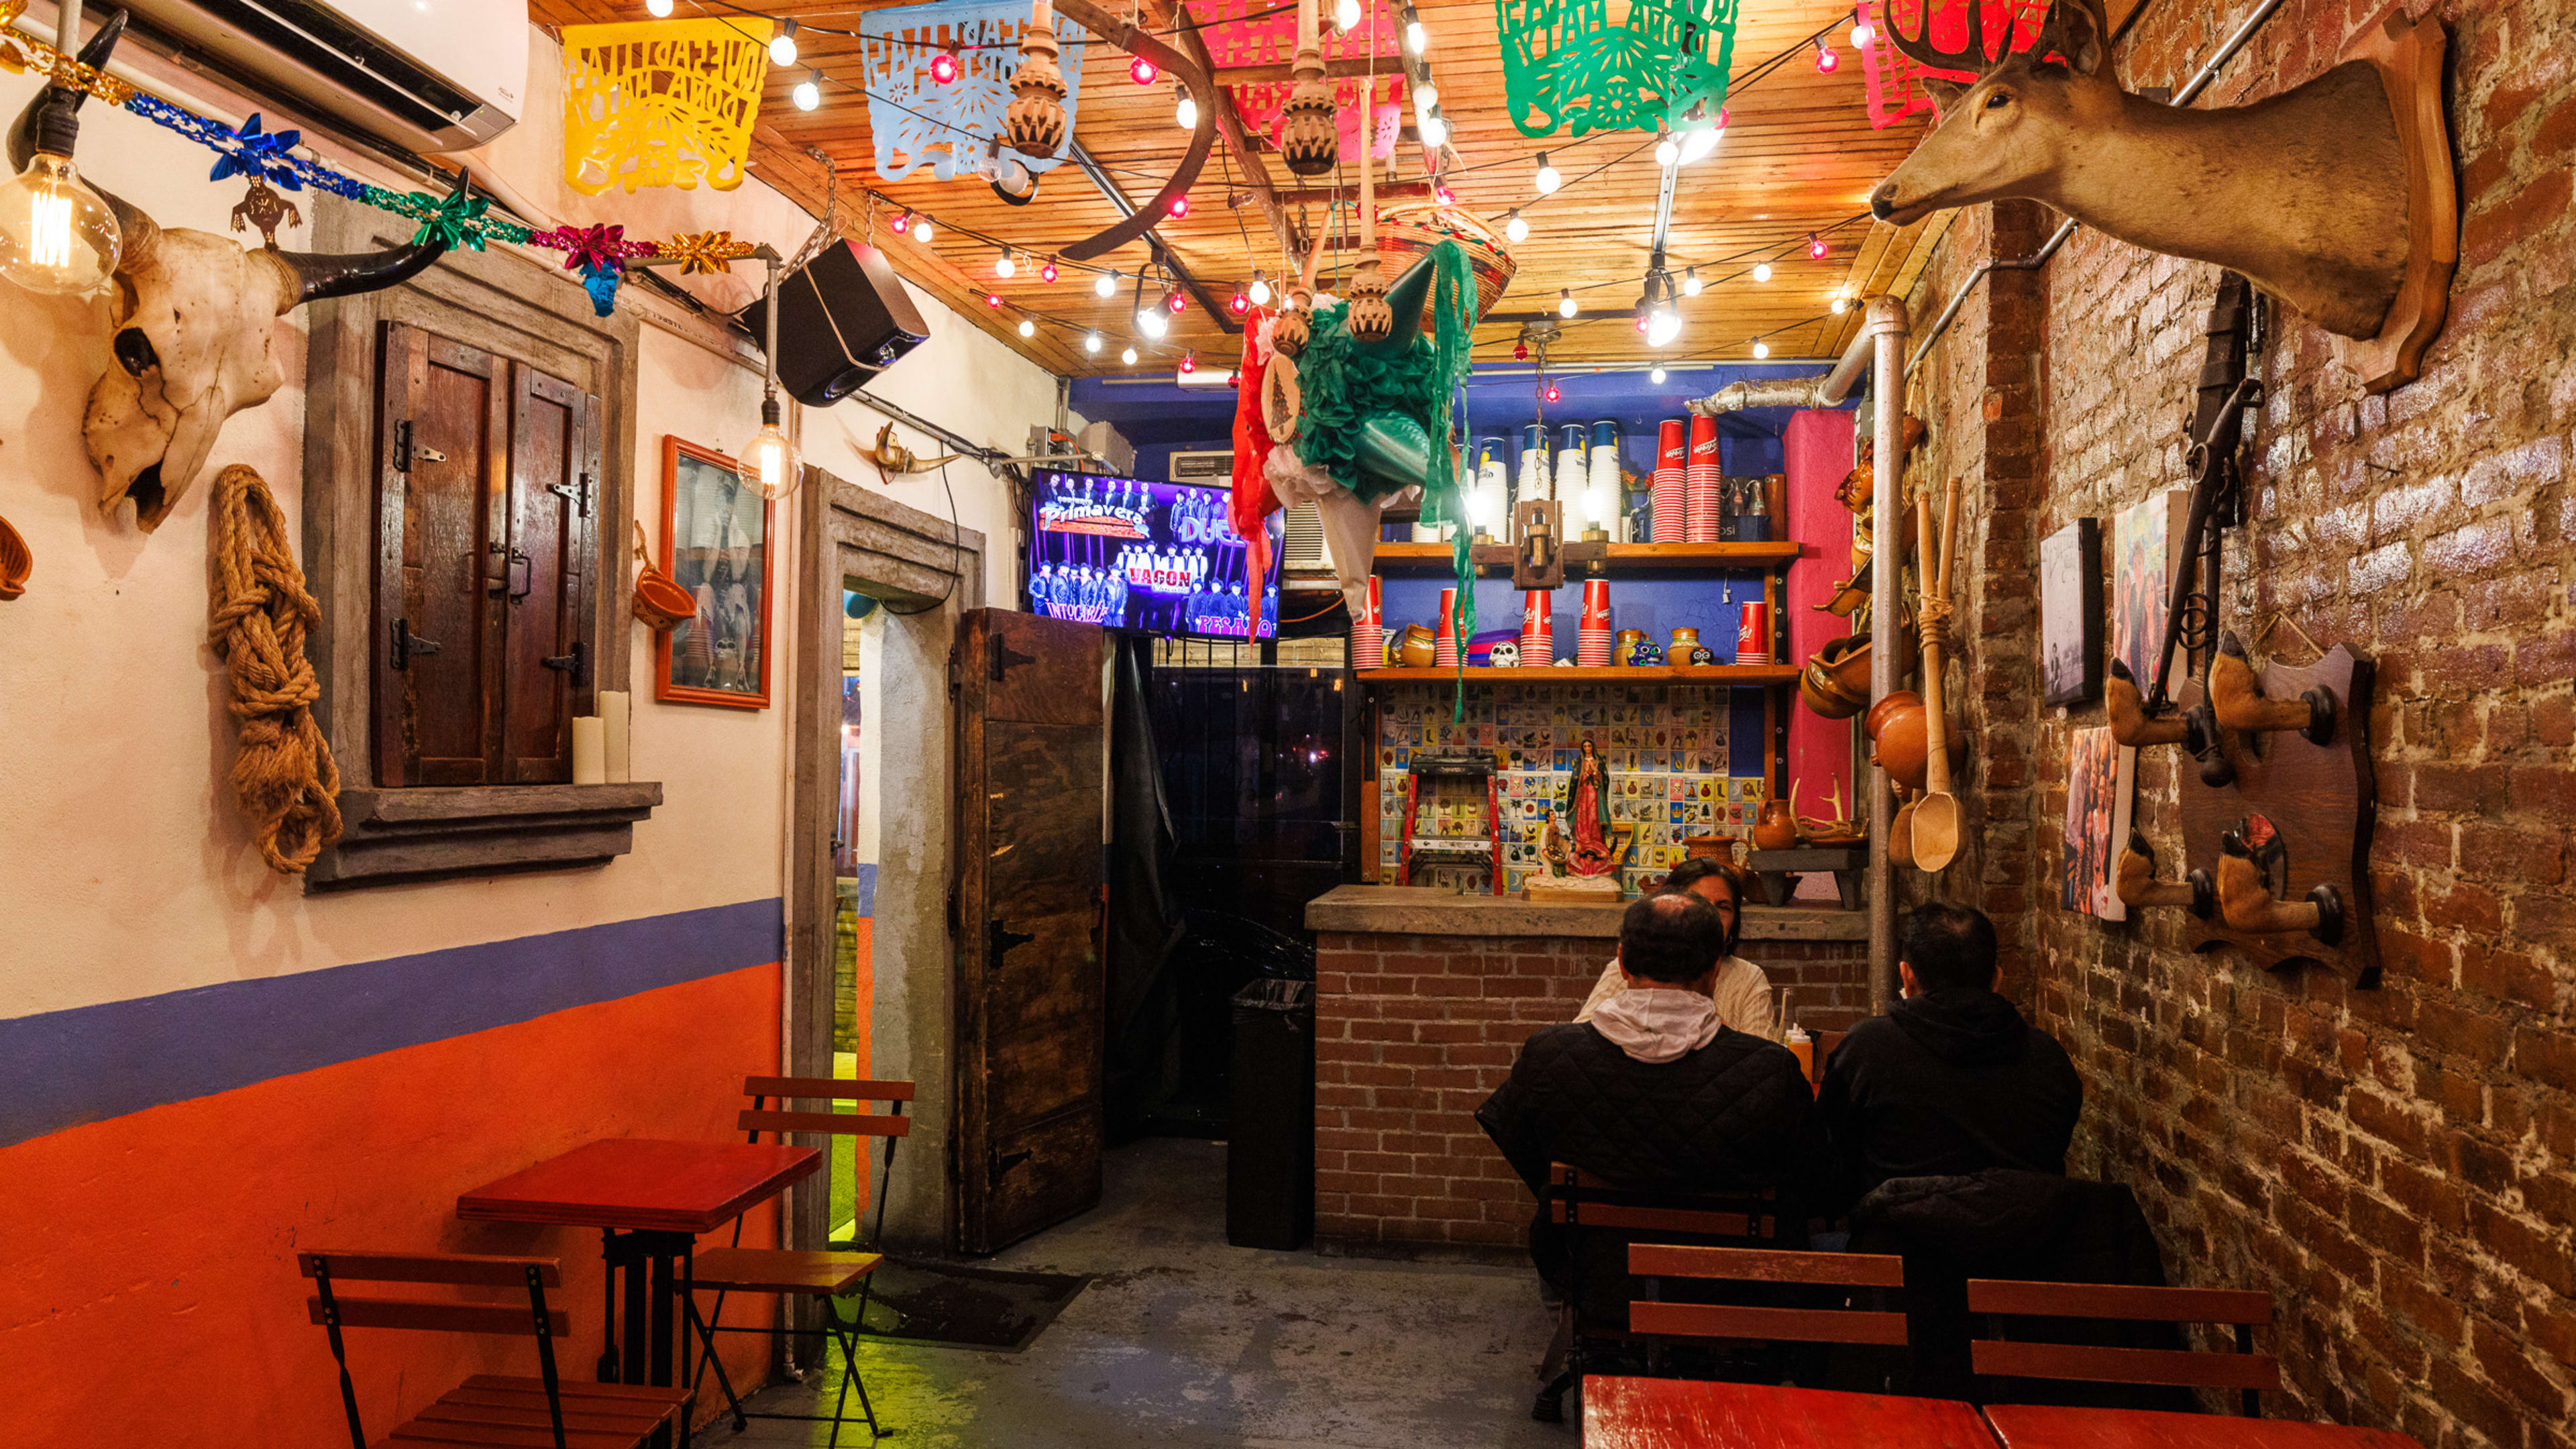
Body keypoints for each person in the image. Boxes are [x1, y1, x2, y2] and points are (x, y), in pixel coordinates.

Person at [1477, 892, 1814, 1292]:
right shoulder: (1771, 1070)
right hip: (1727, 1288)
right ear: (1716, 971)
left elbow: (1515, 1135)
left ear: (1621, 963)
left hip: (1591, 1275)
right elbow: (1810, 1180)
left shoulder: (1550, 1055)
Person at [1812, 902, 2082, 1215]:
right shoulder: (2049, 1059)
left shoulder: (1866, 1049)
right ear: (1996, 979)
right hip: (2023, 1255)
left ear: (1907, 978)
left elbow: (1827, 1155)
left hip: (1896, 1252)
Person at [1573, 857, 1775, 1037]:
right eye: (1699, 903)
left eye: (1723, 907)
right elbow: (1583, 1040)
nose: (1711, 916)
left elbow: (1763, 1060)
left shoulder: (1748, 978)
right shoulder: (1634, 966)